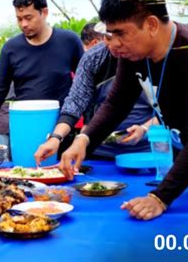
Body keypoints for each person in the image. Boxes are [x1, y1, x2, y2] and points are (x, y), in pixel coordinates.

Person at [60, 0, 188, 221]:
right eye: (110, 35)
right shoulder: (135, 54)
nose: (113, 45)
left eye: (120, 33)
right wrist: (84, 139)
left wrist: (159, 198)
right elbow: (116, 104)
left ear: (151, 25)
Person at [0, 0, 83, 143]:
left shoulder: (69, 41)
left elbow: (86, 84)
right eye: (19, 18)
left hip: (61, 126)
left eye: (28, 18)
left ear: (44, 13)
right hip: (25, 125)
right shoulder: (11, 48)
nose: (23, 24)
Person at [35, 22, 155, 164]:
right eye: (108, 38)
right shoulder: (94, 58)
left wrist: (144, 128)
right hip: (98, 150)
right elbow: (76, 100)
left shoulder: (149, 57)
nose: (113, 45)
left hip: (146, 154)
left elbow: (169, 110)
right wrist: (56, 137)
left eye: (119, 37)